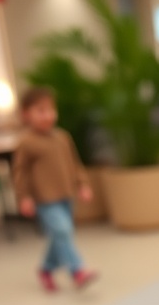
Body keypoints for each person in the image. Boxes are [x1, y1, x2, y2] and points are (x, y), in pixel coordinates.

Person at [13, 87, 97, 292]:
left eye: (51, 110)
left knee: (60, 236)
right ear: (26, 114)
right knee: (62, 231)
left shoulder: (62, 137)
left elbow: (74, 164)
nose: (47, 115)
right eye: (40, 111)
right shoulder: (26, 143)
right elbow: (19, 172)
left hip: (66, 194)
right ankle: (77, 271)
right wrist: (24, 197)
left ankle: (46, 269)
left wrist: (83, 184)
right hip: (44, 199)